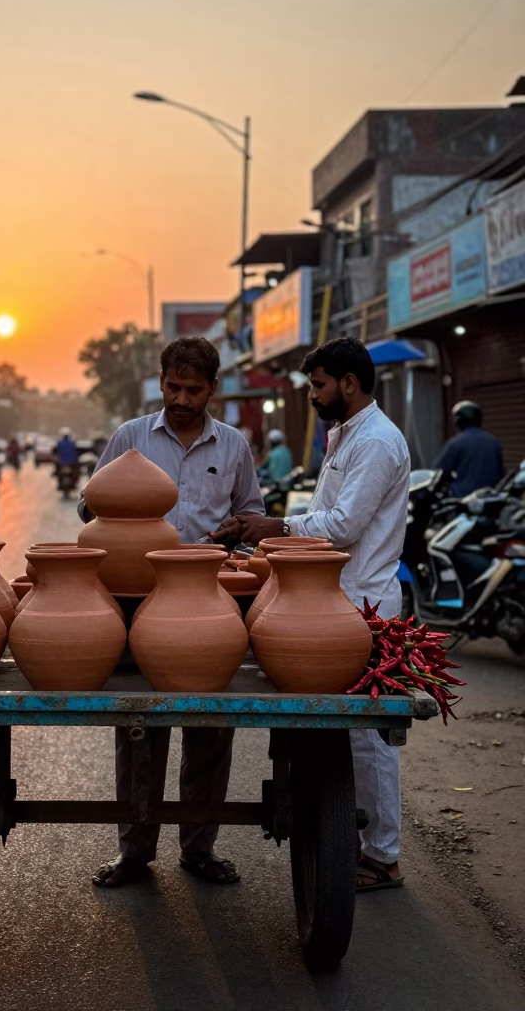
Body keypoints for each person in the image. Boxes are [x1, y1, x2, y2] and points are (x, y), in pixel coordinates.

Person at [224, 336, 410, 893]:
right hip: (334, 600)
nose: (312, 395)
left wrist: (277, 527)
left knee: (365, 740)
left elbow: (344, 525)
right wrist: (269, 527)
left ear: (349, 384)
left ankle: (383, 857)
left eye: (319, 385)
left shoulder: (376, 441)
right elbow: (324, 513)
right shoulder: (345, 434)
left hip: (364, 602)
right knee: (339, 737)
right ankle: (348, 843)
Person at [82, 335, 265, 889]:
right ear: (160, 383)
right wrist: (117, 508)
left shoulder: (233, 445)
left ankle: (198, 849)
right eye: (173, 387)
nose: (182, 399)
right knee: (137, 721)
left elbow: (252, 514)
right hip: (137, 598)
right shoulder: (130, 437)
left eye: (194, 389)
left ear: (213, 388)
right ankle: (134, 852)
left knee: (211, 723)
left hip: (208, 596)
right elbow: (91, 506)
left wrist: (239, 529)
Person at [437, 400, 504, 497]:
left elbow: (441, 472)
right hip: (489, 499)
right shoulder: (494, 442)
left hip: (462, 500)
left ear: (458, 420)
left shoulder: (456, 443)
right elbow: (500, 473)